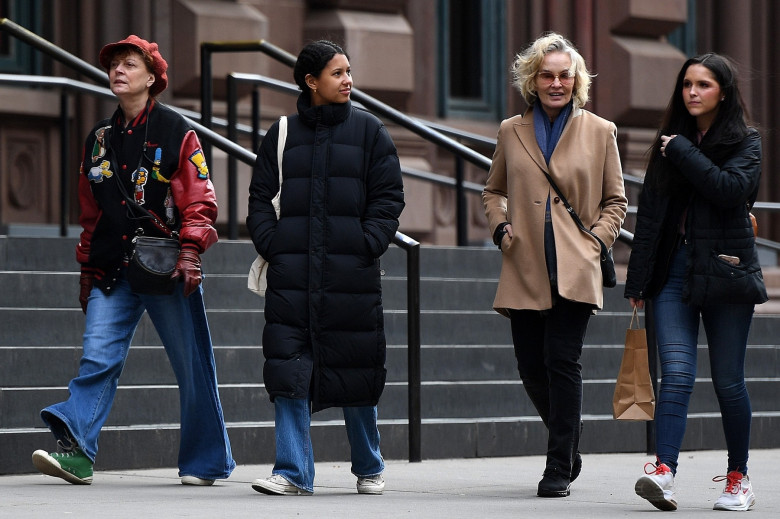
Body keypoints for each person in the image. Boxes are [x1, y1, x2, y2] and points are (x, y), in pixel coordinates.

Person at [31, 35, 235, 486]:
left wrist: (190, 251)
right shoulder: (99, 139)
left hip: (166, 266)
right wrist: (87, 267)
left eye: (129, 64)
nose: (118, 71)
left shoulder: (177, 131)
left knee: (192, 367)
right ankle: (78, 452)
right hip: (111, 268)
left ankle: (205, 462)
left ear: (152, 77)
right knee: (96, 358)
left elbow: (199, 199)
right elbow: (90, 211)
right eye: (113, 65)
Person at [246, 40, 404, 496]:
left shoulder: (371, 132)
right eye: (337, 73)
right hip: (292, 274)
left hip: (349, 275)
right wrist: (274, 245)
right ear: (311, 81)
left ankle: (369, 464)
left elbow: (389, 197)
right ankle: (293, 472)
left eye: (349, 71)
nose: (348, 80)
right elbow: (259, 198)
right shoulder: (280, 134)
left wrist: (367, 242)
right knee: (288, 370)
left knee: (354, 367)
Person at [482, 32, 627, 498]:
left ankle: (558, 463)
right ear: (532, 79)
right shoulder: (511, 129)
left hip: (575, 264)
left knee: (562, 360)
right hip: (524, 262)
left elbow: (616, 200)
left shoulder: (600, 131)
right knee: (530, 366)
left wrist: (595, 242)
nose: (556, 83)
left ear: (576, 80)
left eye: (565, 75)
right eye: (547, 75)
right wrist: (501, 230)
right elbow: (492, 191)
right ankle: (571, 442)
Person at [625, 53, 765, 512]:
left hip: (725, 271)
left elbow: (729, 191)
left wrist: (683, 152)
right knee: (677, 375)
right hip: (674, 273)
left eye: (703, 85)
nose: (692, 92)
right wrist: (639, 283)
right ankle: (664, 474)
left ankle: (738, 477)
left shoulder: (746, 142)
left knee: (728, 381)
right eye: (687, 84)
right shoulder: (670, 143)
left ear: (722, 92)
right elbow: (650, 219)